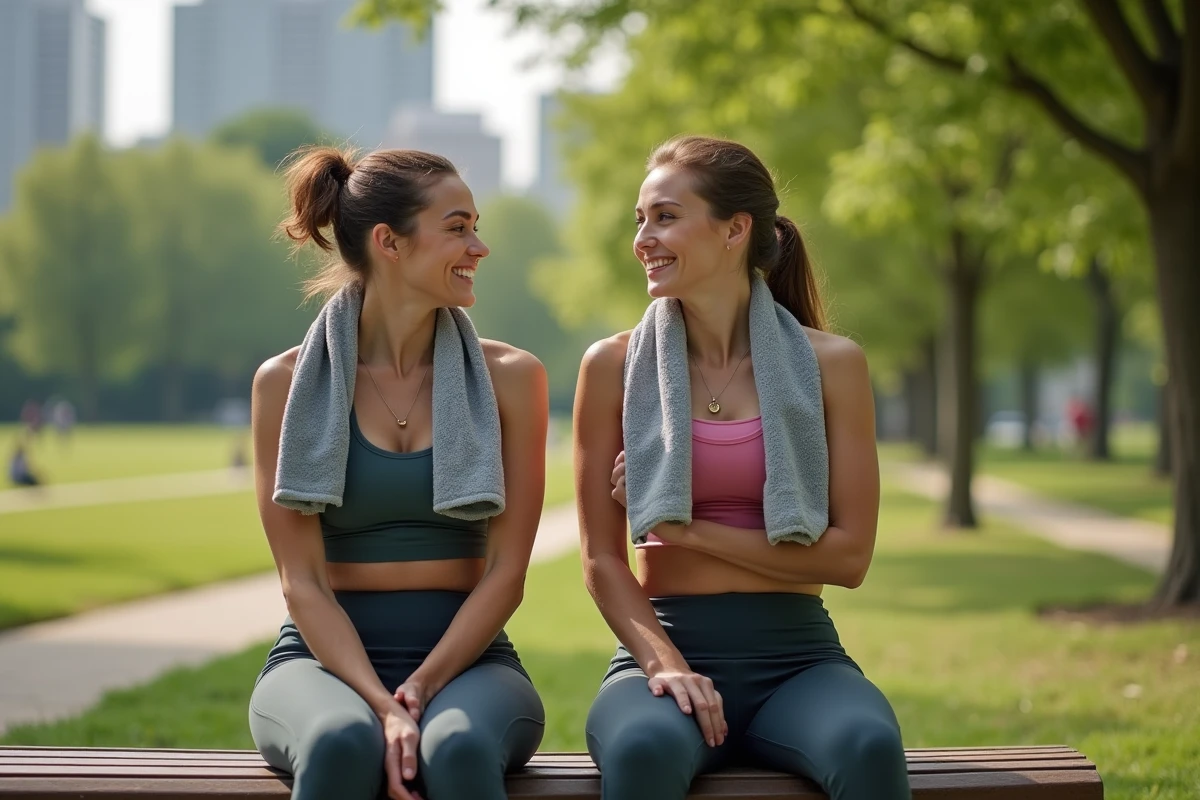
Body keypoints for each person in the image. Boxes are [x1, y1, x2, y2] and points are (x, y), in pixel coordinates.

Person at [573, 135, 911, 800]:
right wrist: (668, 667)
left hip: (800, 659)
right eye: (640, 219)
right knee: (642, 750)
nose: (644, 237)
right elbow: (601, 560)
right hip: (663, 648)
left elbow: (846, 560)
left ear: (736, 229)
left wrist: (689, 530)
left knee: (869, 745)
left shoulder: (832, 364)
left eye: (665, 216)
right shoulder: (610, 366)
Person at [248, 146, 547, 800]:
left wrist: (417, 689)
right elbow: (300, 582)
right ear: (389, 241)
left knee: (459, 747)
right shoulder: (286, 383)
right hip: (318, 661)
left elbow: (507, 574)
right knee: (338, 743)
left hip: (472, 662)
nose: (481, 247)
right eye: (459, 227)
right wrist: (379, 704)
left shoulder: (513, 379)